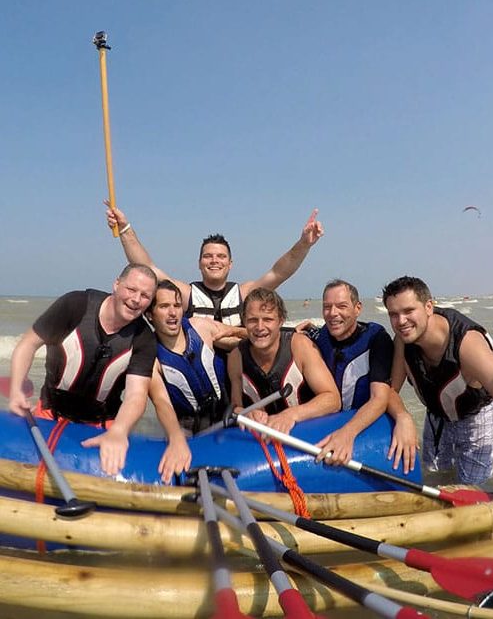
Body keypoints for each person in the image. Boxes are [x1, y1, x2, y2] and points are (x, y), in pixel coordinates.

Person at [9, 264, 158, 476]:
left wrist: (119, 430)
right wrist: (16, 390)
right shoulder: (75, 305)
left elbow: (136, 395)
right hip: (50, 412)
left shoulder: (144, 338)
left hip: (100, 423)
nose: (136, 299)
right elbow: (28, 344)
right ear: (116, 284)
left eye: (145, 296)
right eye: (131, 289)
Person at [106, 204, 324, 325]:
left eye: (221, 256)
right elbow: (148, 268)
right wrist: (125, 229)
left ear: (230, 264)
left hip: (237, 375)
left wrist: (304, 244)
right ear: (199, 263)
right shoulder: (186, 294)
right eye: (208, 256)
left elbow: (280, 272)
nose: (214, 261)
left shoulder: (244, 293)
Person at [382, 276, 493, 485]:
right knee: (434, 479)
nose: (401, 321)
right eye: (393, 314)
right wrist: (403, 417)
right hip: (437, 415)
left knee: (471, 489)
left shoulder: (467, 344)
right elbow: (390, 390)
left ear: (429, 306)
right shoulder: (402, 340)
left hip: (476, 416)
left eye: (409, 311)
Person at [146, 279, 242, 483]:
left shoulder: (200, 327)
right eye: (164, 306)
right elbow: (161, 402)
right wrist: (175, 438)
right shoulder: (150, 356)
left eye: (176, 305)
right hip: (189, 427)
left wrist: (289, 333)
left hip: (226, 416)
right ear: (150, 315)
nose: (173, 313)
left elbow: (246, 337)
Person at [302, 279, 393, 466]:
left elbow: (380, 399)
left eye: (341, 306)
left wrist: (347, 433)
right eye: (327, 307)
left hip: (363, 425)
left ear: (357, 308)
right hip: (325, 425)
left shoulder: (377, 339)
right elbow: (274, 335)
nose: (333, 313)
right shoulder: (316, 337)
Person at [227, 288, 341, 435]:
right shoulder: (236, 357)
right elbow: (235, 406)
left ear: (280, 321)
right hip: (264, 439)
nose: (260, 327)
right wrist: (246, 414)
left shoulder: (300, 346)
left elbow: (333, 399)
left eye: (268, 319)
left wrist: (291, 415)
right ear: (244, 322)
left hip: (306, 433)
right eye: (252, 320)